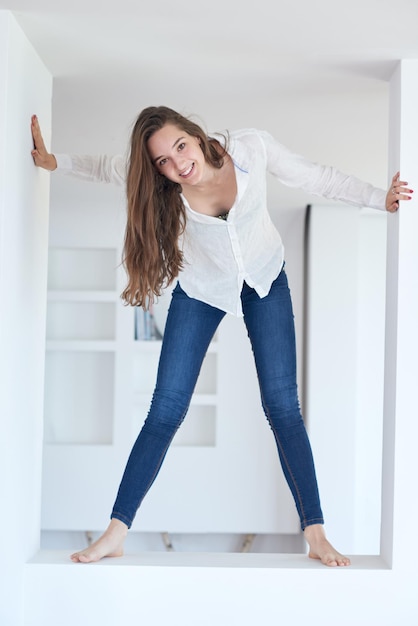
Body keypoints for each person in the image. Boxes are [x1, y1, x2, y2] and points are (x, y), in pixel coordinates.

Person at [31, 108, 412, 567]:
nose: (176, 164)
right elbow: (105, 166)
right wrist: (56, 162)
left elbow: (319, 179)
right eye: (162, 162)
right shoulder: (165, 189)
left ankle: (316, 533)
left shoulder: (251, 148)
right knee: (165, 410)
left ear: (194, 134)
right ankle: (116, 531)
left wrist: (380, 198)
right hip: (202, 290)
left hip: (266, 278)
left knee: (282, 407)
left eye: (180, 147)